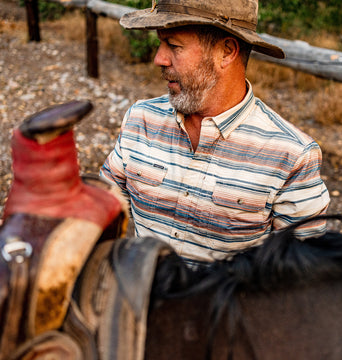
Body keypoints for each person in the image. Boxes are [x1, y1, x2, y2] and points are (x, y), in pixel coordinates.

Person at [100, 0, 330, 268]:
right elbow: (102, 209)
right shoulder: (140, 118)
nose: (159, 58)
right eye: (161, 44)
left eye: (174, 46)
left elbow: (303, 275)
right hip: (140, 306)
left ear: (226, 51)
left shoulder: (291, 154)